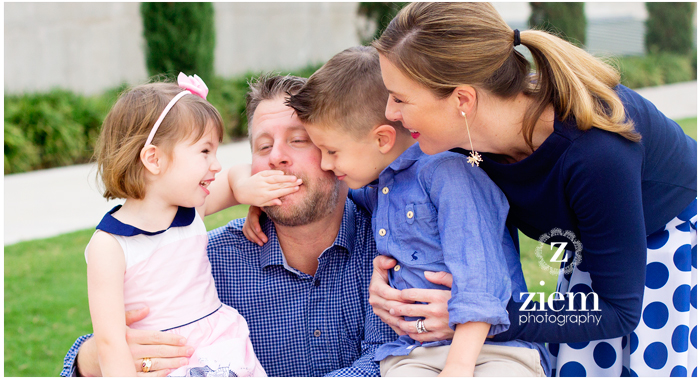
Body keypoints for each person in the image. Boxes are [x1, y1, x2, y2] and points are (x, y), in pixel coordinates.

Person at [367, 2, 697, 377]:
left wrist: (482, 316)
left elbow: (618, 310)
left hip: (664, 255)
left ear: (462, 100)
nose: (390, 113)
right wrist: (387, 284)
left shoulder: (595, 153)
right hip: (593, 263)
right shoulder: (461, 138)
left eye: (400, 98)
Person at [61, 74, 398, 377]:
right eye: (263, 146)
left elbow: (394, 359)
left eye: (298, 140)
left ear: (332, 153)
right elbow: (97, 349)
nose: (276, 157)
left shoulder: (390, 243)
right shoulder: (210, 260)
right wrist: (90, 361)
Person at [247, 45, 547, 376]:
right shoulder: (381, 189)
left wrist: (458, 368)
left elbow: (481, 276)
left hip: (493, 350)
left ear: (382, 140)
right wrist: (260, 197)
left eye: (330, 150)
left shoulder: (447, 175)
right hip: (415, 353)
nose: (326, 163)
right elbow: (321, 199)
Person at [83, 72, 307, 376]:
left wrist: (246, 192)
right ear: (153, 159)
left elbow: (235, 174)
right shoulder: (109, 246)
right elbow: (110, 344)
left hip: (221, 348)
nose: (216, 164)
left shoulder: (191, 210)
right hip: (166, 361)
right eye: (204, 151)